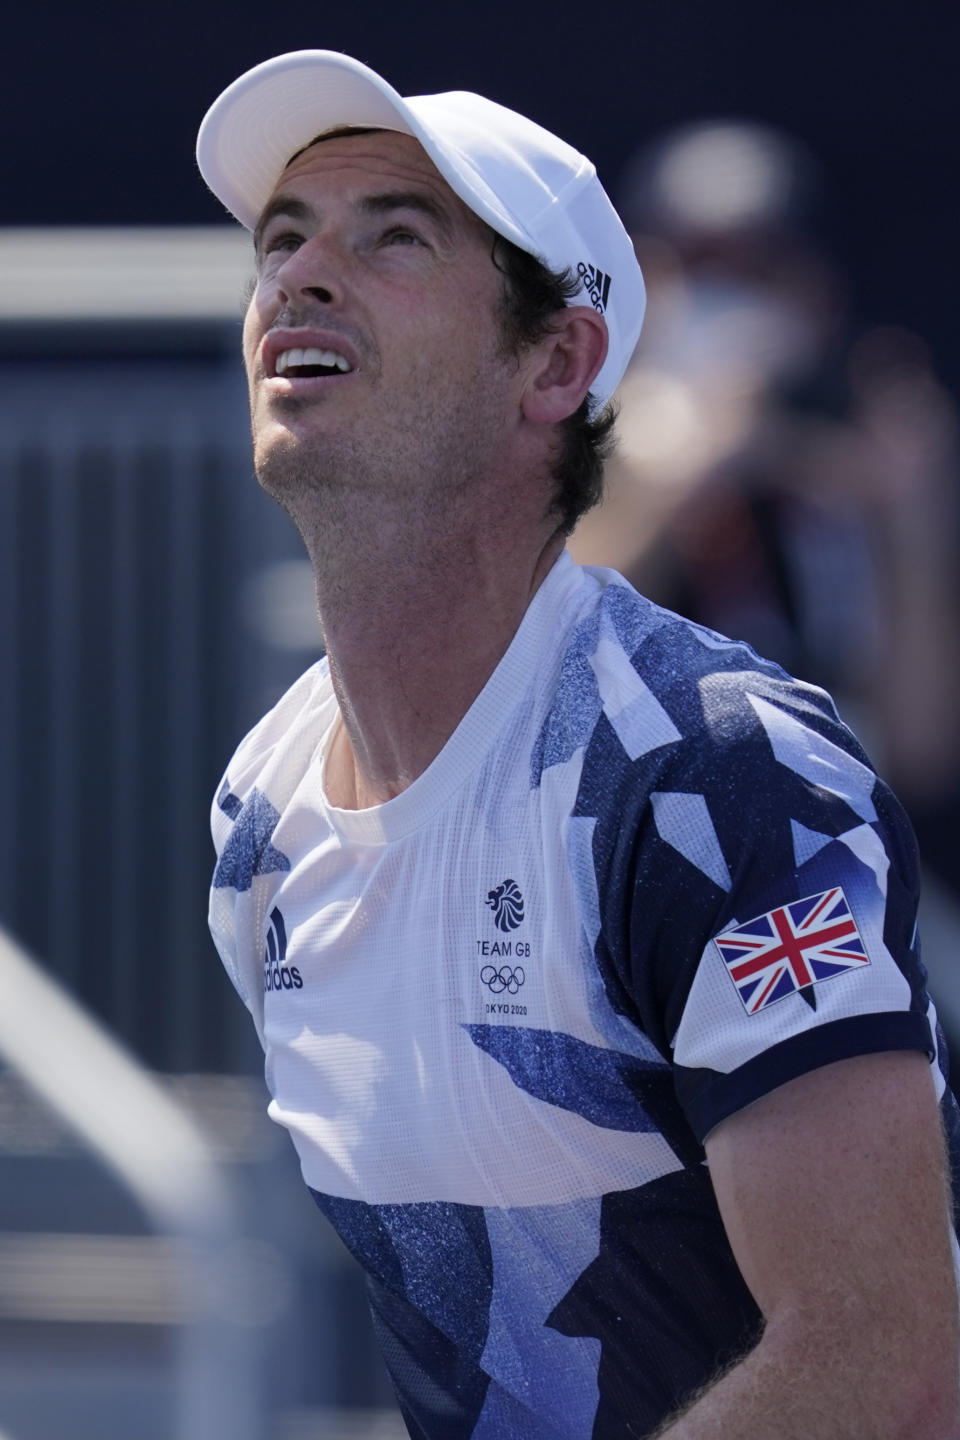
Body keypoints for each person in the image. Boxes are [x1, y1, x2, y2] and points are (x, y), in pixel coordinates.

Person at [198, 51, 960, 1439]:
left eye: (393, 238)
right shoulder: (258, 813)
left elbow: (889, 1374)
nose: (300, 276)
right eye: (284, 237)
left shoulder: (728, 776)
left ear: (556, 361)